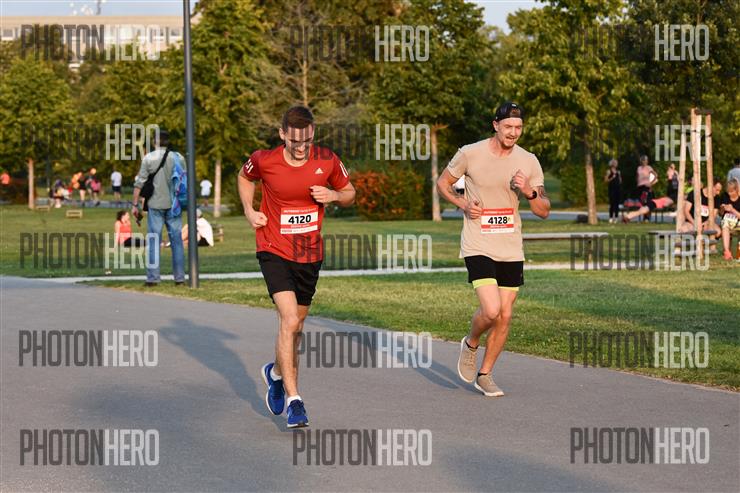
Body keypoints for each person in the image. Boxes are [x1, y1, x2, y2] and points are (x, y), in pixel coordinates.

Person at [238, 105, 355, 428]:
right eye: (295, 142)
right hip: (273, 248)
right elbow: (245, 176)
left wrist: (332, 195)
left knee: (297, 327)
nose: (301, 148)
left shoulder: (327, 160)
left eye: (307, 141)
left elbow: (350, 193)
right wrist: (249, 210)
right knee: (289, 319)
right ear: (282, 134)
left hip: (310, 254)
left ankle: (276, 374)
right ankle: (295, 401)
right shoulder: (265, 160)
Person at [437, 101, 550, 397]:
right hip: (478, 241)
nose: (513, 132)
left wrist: (529, 191)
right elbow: (443, 183)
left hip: (510, 245)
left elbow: (543, 210)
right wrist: (463, 204)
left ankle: (485, 375)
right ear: (495, 125)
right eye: (508, 126)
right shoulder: (469, 153)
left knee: (505, 315)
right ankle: (471, 342)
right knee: (491, 310)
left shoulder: (528, 161)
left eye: (518, 127)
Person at [131, 130, 186, 287]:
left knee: (154, 242)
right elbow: (183, 179)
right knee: (177, 242)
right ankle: (179, 278)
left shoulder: (148, 158)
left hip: (155, 205)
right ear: (168, 142)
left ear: (154, 142)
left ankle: (153, 278)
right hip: (174, 205)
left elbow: (139, 183)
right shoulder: (178, 158)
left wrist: (135, 204)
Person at [718, 179, 740, 260]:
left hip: (737, 223)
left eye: (732, 191)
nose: (730, 193)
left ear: (736, 189)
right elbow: (721, 214)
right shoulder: (724, 196)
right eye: (728, 191)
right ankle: (727, 252)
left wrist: (732, 210)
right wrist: (722, 208)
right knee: (725, 224)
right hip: (727, 222)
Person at [604, 158, 622, 223]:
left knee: (617, 204)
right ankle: (611, 217)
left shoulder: (618, 172)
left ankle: (616, 217)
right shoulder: (608, 171)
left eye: (616, 163)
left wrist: (619, 176)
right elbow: (605, 180)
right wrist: (611, 178)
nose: (615, 164)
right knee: (612, 203)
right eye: (614, 163)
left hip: (617, 189)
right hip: (611, 189)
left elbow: (620, 181)